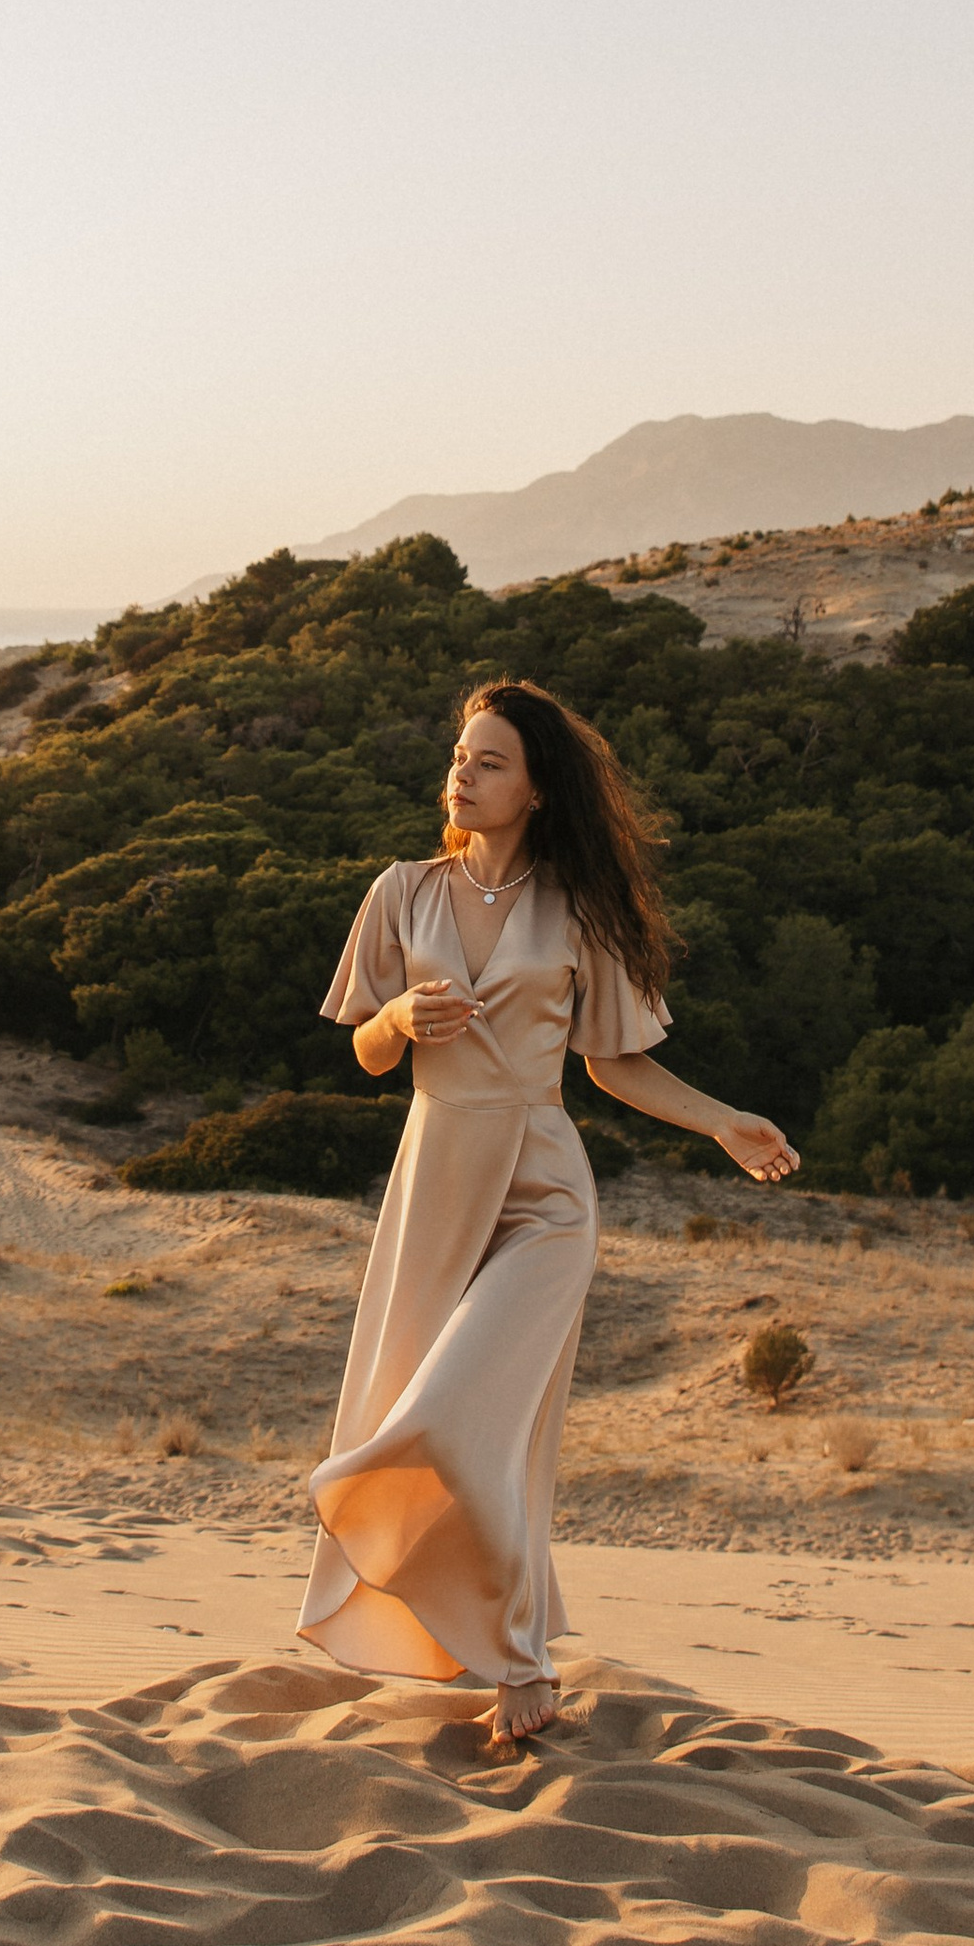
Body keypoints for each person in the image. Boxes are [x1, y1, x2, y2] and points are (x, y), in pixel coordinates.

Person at [299, 676, 799, 1744]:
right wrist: (397, 1012)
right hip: (434, 1175)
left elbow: (615, 1066)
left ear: (534, 791)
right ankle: (470, 1626)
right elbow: (365, 1050)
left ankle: (518, 1661)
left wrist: (721, 1122)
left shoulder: (575, 910)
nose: (463, 777)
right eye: (459, 758)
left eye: (490, 764)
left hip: (542, 1190)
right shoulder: (401, 892)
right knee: (433, 1414)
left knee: (473, 1424)